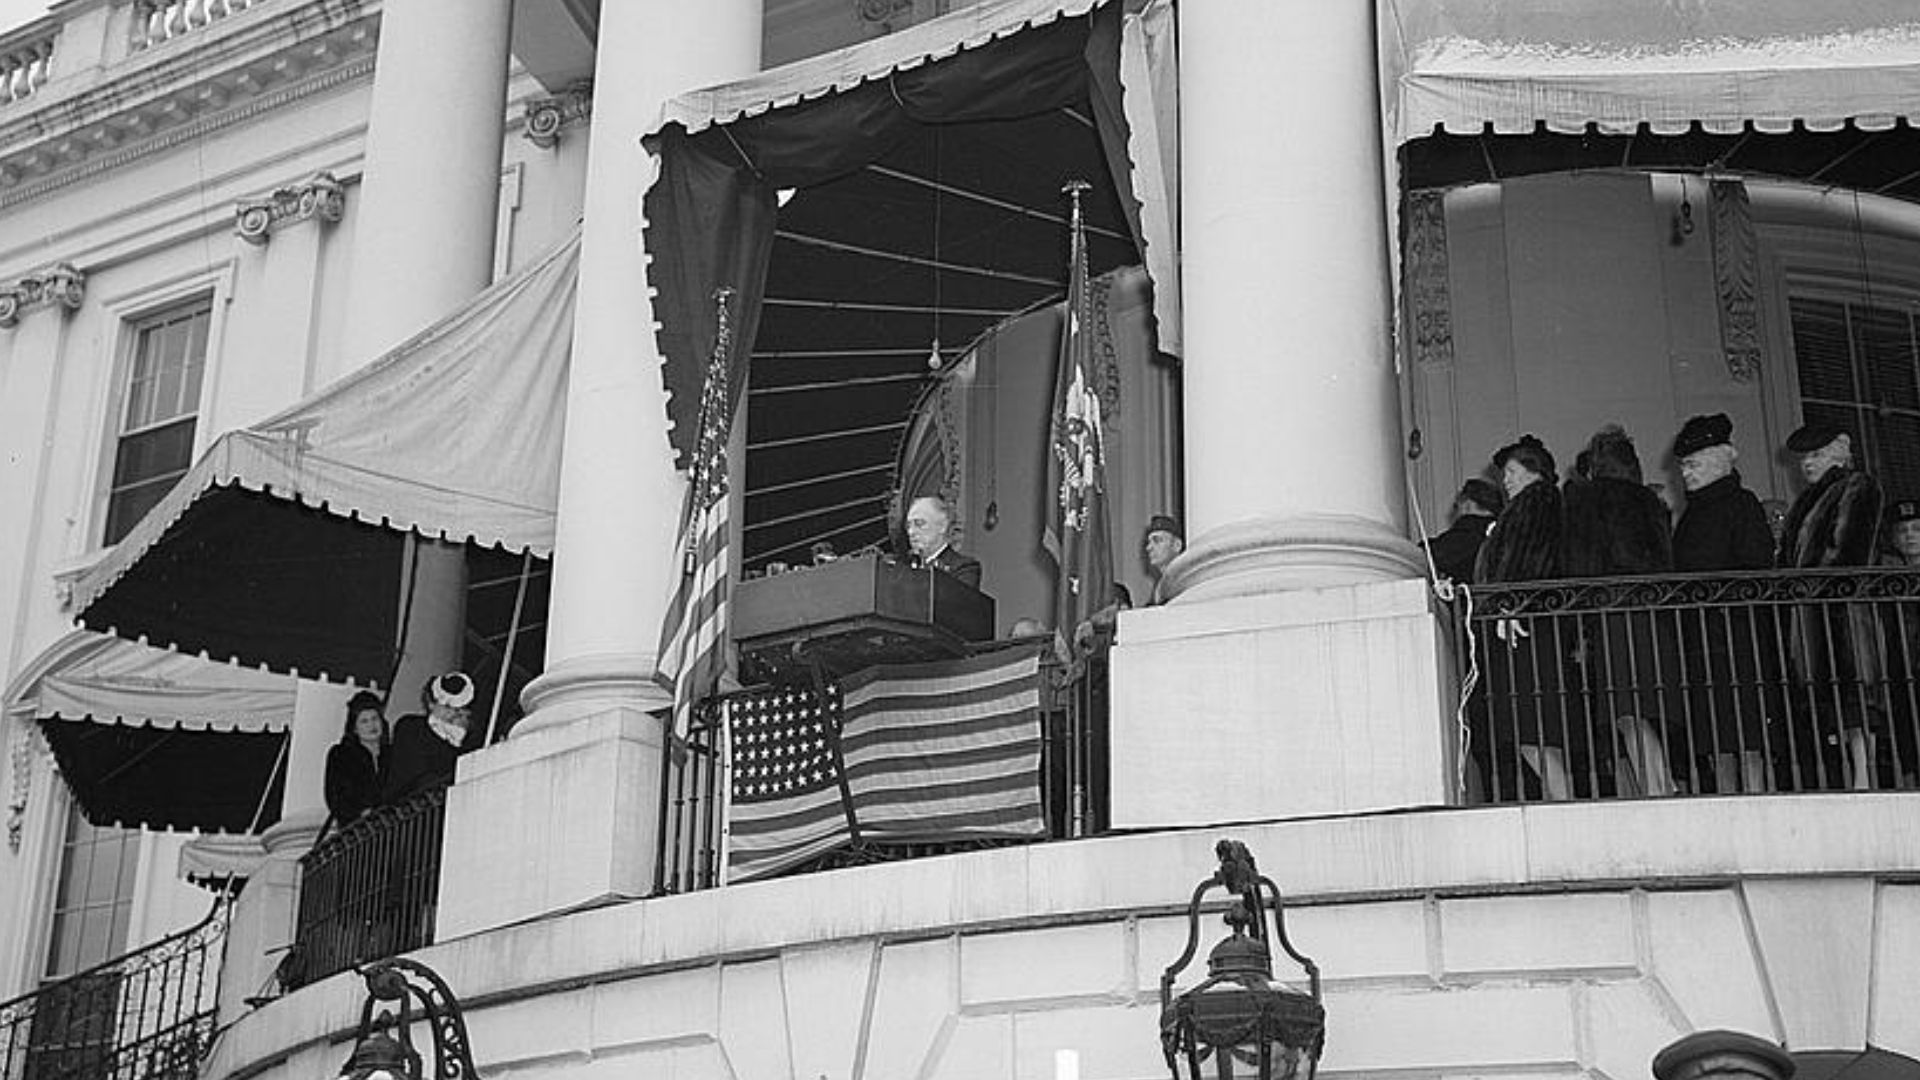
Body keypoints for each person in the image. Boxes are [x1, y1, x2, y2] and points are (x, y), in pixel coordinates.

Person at [1560, 424, 1678, 797]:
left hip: (1612, 613)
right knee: (1641, 707)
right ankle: (1661, 783)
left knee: (1623, 710)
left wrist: (1580, 619)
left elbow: (1581, 561)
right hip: (1650, 613)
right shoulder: (1649, 501)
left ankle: (1658, 788)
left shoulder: (1589, 499)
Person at [1669, 413, 1778, 793]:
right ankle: (1726, 796)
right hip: (1701, 638)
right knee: (1713, 731)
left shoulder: (1741, 504)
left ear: (1718, 460)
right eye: (1684, 465)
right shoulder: (1690, 515)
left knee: (1746, 730)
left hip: (1738, 637)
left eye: (1693, 464)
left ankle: (1754, 796)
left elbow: (1757, 566)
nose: (1686, 472)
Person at [1777, 422, 1885, 790]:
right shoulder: (1807, 500)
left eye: (1817, 454)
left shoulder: (1856, 486)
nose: (1807, 463)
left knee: (1854, 698)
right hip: (1809, 616)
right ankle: (1845, 776)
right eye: (1804, 457)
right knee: (1825, 705)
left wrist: (1809, 584)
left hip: (1843, 613)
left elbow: (1850, 549)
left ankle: (1864, 777)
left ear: (1838, 453)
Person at [1474, 435, 1572, 799]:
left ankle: (1560, 800)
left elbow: (1531, 554)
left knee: (1531, 728)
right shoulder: (1532, 504)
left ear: (1534, 472)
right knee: (1531, 731)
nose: (1506, 480)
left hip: (1521, 627)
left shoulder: (1537, 502)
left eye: (1513, 472)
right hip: (1522, 622)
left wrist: (1512, 602)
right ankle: (1557, 797)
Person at [382, 671, 476, 803]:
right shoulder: (411, 727)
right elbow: (418, 774)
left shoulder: (469, 740)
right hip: (409, 809)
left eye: (459, 709)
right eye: (447, 707)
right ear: (431, 704)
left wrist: (460, 738)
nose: (454, 713)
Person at [324, 690, 388, 827]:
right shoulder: (341, 755)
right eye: (364, 721)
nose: (372, 725)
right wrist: (360, 813)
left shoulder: (393, 754)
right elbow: (335, 798)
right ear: (354, 728)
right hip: (357, 832)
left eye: (375, 718)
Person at [1425, 478, 1502, 584]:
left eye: (1456, 506)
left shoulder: (1468, 532)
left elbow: (1434, 555)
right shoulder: (1503, 532)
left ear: (1467, 504)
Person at [903, 495, 982, 588]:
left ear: (942, 526)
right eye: (908, 526)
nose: (911, 532)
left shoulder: (964, 568)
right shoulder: (902, 567)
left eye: (919, 524)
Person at [1142, 514, 1185, 606]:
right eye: (1148, 542)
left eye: (1157, 540)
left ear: (1177, 545)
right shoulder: (1159, 586)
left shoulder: (1185, 580)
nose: (1149, 548)